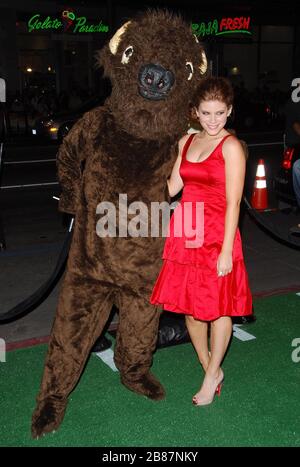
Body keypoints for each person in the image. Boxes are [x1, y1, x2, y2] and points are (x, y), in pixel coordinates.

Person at [150, 76, 253, 406]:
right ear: (195, 112)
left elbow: (235, 202)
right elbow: (173, 188)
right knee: (192, 311)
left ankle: (211, 376)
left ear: (230, 111)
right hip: (187, 230)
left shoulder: (232, 147)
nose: (213, 120)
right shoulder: (187, 142)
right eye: (206, 113)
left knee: (219, 308)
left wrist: (226, 250)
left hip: (216, 235)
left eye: (220, 113)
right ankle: (208, 364)